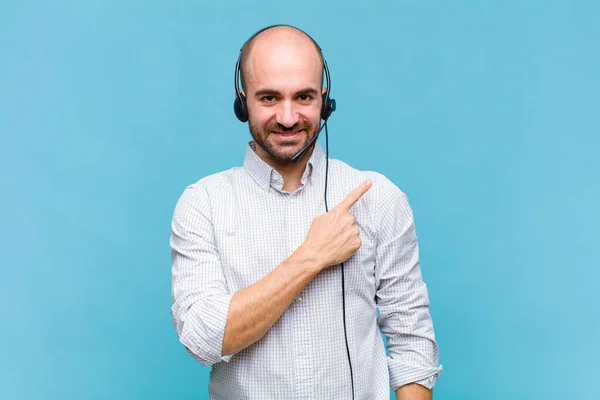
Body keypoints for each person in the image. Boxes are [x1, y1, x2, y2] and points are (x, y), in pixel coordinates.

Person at [170, 24, 442, 400]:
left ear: (324, 100)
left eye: (303, 97)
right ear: (242, 100)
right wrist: (311, 257)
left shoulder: (378, 198)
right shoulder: (204, 204)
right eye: (268, 98)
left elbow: (412, 345)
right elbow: (202, 338)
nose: (287, 117)